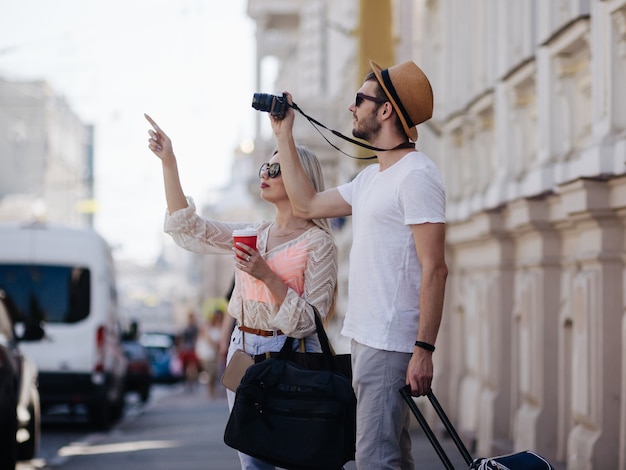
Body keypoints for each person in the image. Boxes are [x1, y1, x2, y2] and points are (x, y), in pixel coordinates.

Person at [270, 61, 448, 470]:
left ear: (385, 111)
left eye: (360, 100)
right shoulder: (372, 179)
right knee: (392, 458)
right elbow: (307, 204)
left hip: (390, 341)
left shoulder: (416, 176)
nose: (352, 108)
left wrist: (423, 349)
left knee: (375, 460)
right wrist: (284, 134)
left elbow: (435, 267)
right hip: (368, 338)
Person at [144, 113, 338, 470]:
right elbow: (192, 230)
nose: (265, 173)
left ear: (301, 177)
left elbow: (309, 321)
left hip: (294, 358)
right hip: (244, 355)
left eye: (277, 169)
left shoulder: (319, 243)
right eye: (266, 166)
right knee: (252, 463)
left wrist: (266, 274)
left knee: (295, 460)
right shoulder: (254, 232)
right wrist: (168, 161)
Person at [195, 309, 224, 399]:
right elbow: (208, 339)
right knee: (211, 372)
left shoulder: (221, 326)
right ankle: (210, 391)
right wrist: (216, 347)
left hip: (216, 353)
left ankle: (213, 389)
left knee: (215, 372)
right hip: (207, 353)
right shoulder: (207, 326)